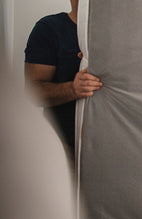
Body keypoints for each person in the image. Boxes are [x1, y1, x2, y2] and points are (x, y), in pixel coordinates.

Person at [24, 0, 102, 166]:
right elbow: (33, 93)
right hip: (63, 148)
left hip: (110, 150)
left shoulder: (118, 35)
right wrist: (73, 89)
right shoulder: (49, 29)